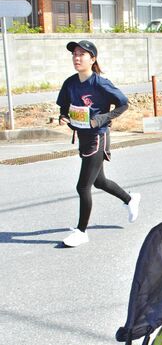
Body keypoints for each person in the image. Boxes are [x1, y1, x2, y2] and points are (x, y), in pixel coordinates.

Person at [56, 40, 141, 247]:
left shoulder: (100, 83)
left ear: (92, 59)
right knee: (99, 181)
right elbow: (63, 107)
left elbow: (123, 104)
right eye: (74, 54)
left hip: (97, 137)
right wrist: (63, 117)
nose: (77, 58)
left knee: (82, 186)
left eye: (81, 54)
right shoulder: (70, 83)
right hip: (83, 137)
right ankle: (130, 199)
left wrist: (102, 118)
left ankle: (81, 231)